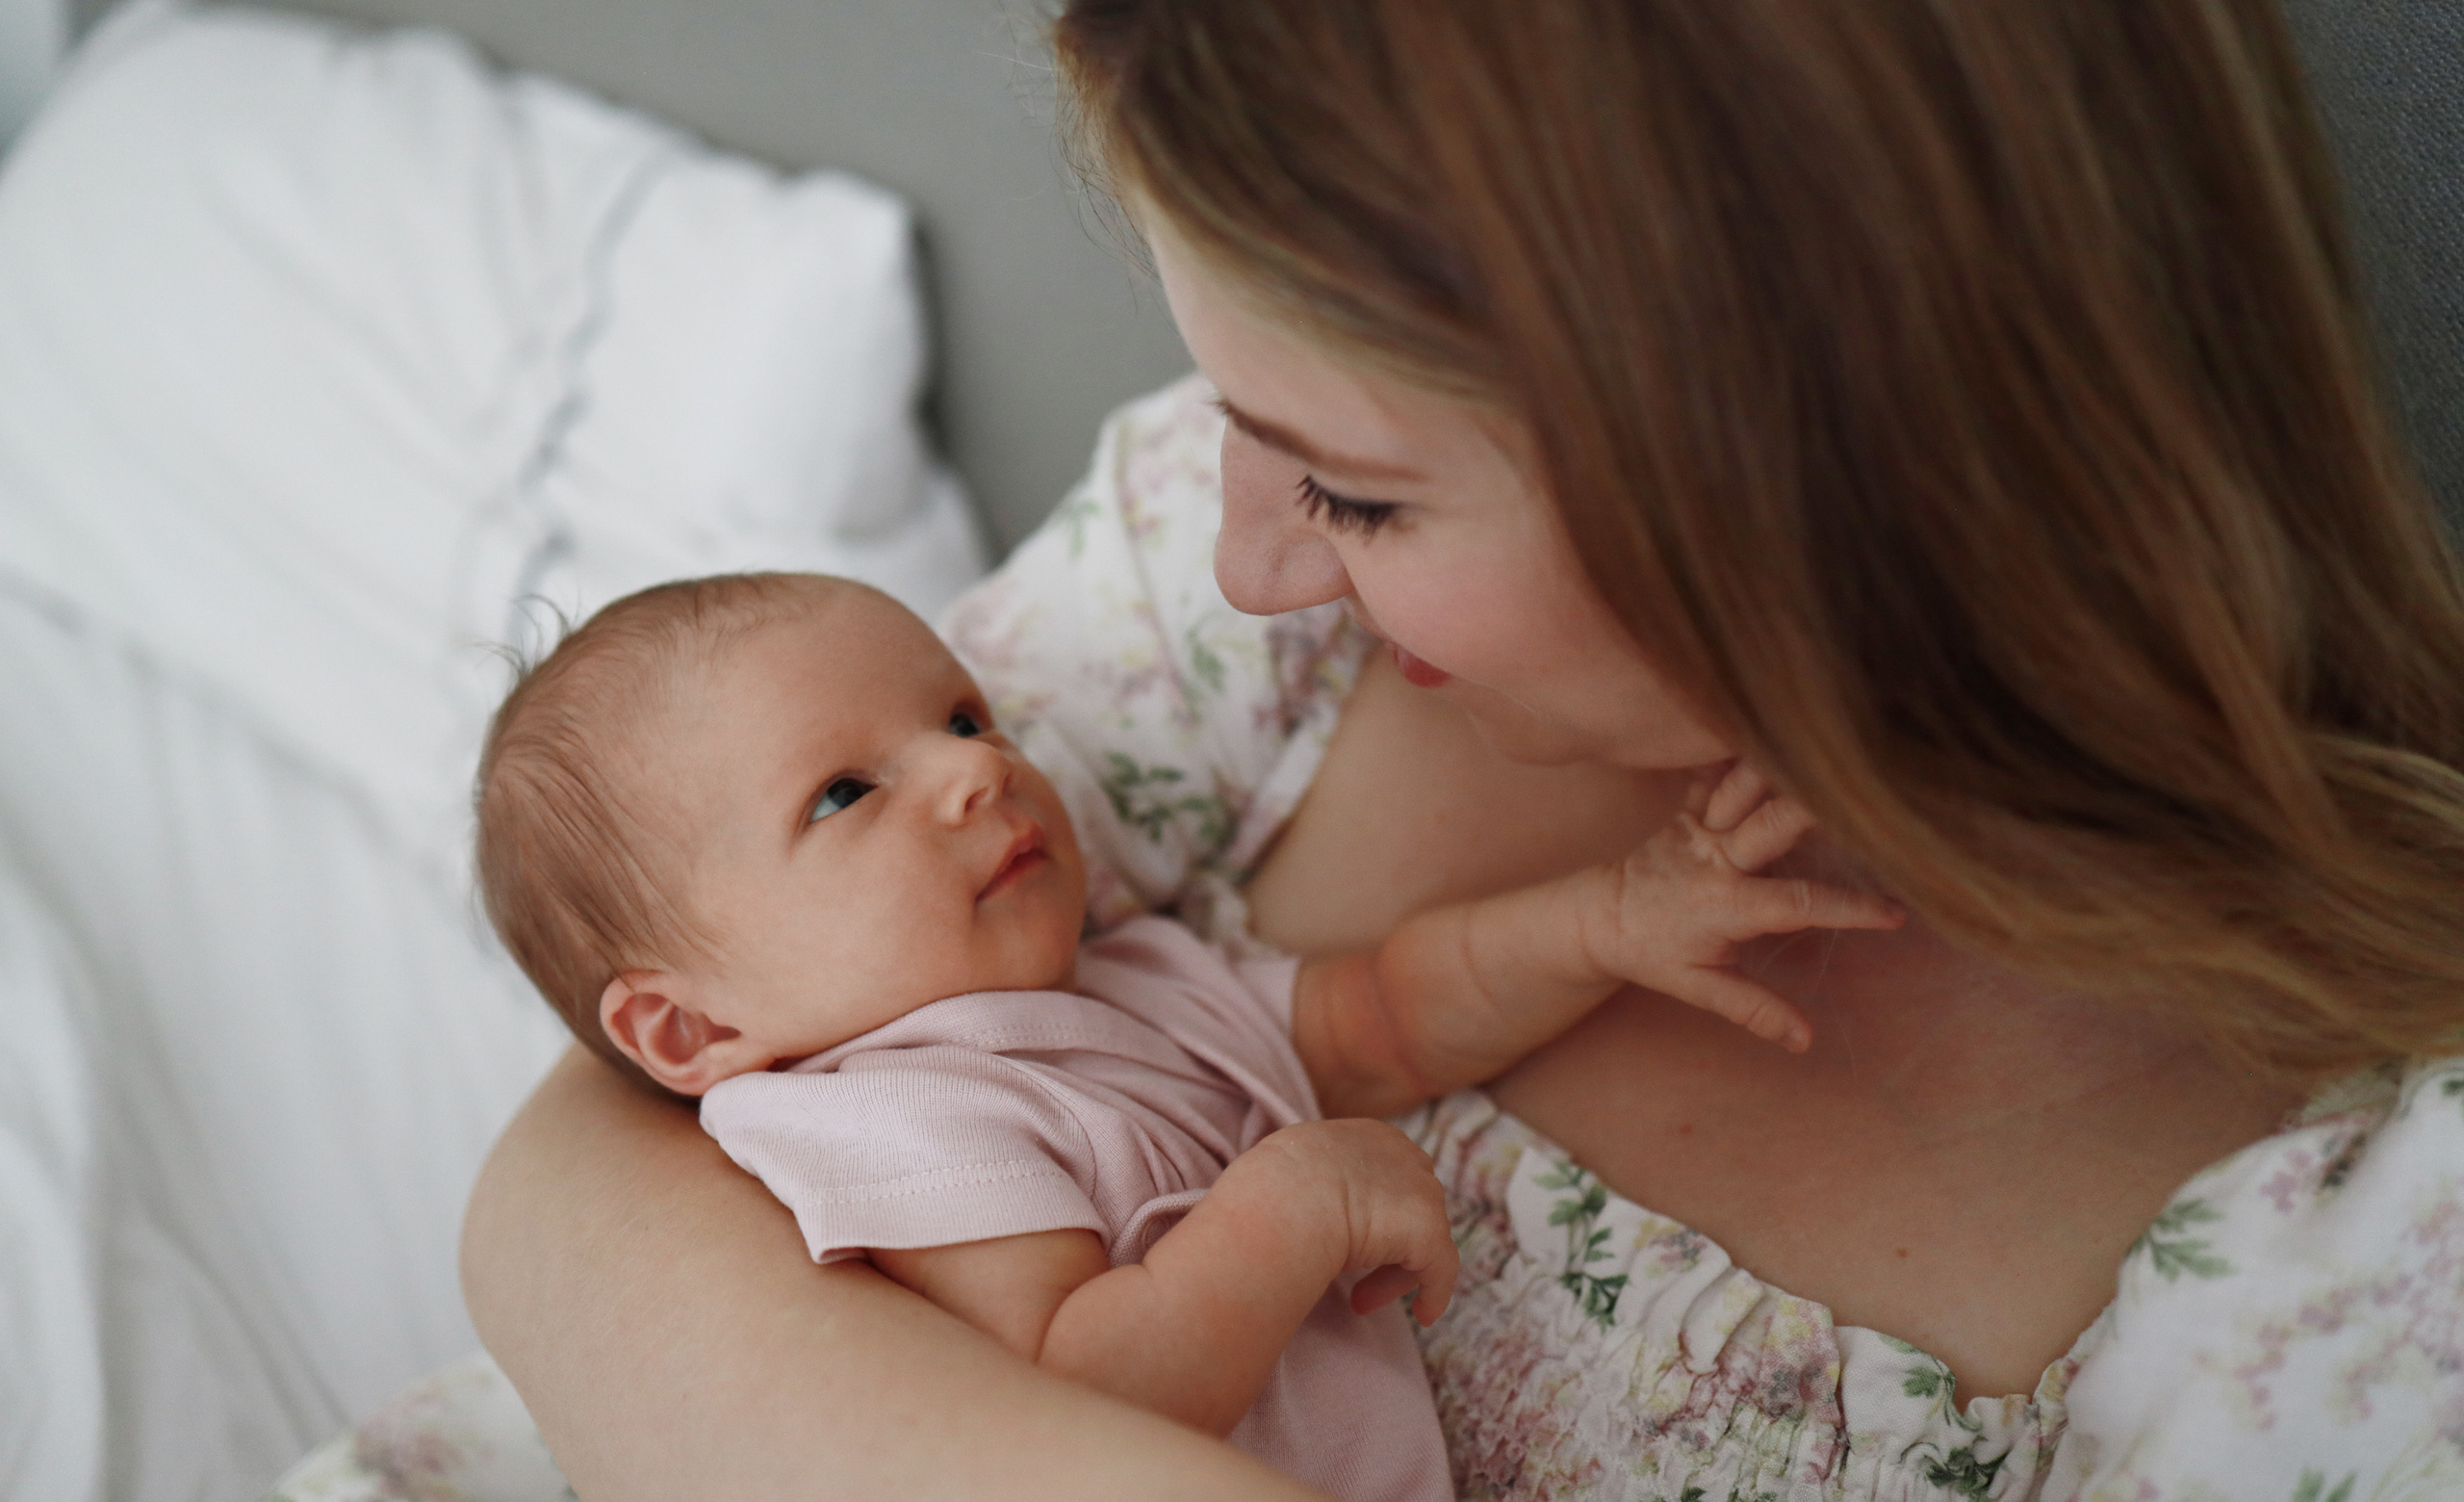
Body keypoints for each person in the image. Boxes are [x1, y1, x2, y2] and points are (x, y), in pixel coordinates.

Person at [455, 0, 2464, 1497]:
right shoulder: (1209, 603)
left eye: (1346, 484)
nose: (1243, 554)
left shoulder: (2366, 1258)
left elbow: (1372, 1013)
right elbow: (573, 1173)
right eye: (1241, 425)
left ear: (1803, 459)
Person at [464, 569, 1896, 1502]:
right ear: (687, 1023)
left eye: (962, 715)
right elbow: (1076, 1390)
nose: (975, 768)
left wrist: (1607, 918)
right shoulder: (889, 1119)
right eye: (846, 795)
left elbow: (1385, 1014)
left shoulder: (1128, 983)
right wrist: (1289, 1208)